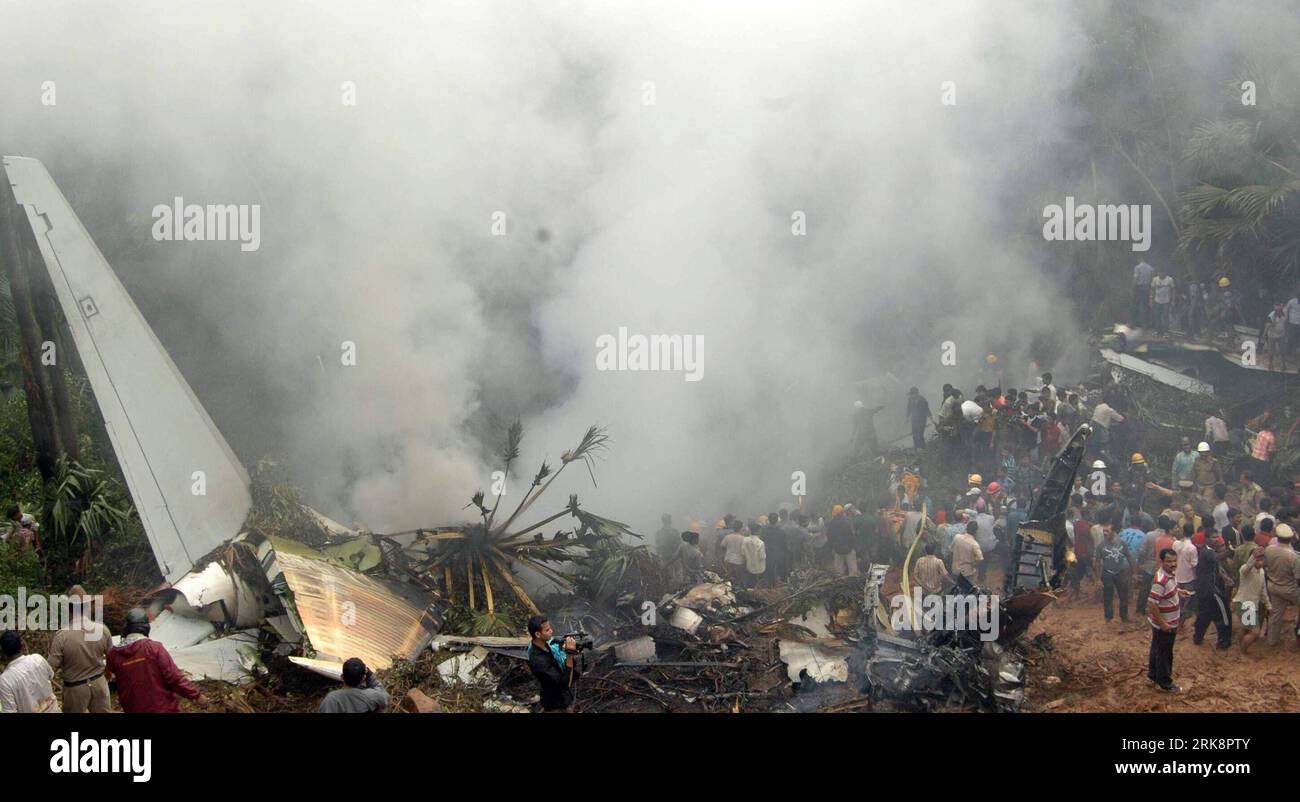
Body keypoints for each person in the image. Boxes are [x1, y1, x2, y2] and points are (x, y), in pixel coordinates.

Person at [105, 609, 209, 713]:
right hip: (161, 708)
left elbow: (112, 676)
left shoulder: (114, 655)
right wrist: (196, 695)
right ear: (146, 627)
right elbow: (174, 677)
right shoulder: (154, 648)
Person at [47, 585, 113, 713]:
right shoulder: (102, 629)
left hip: (75, 689)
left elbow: (50, 668)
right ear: (88, 607)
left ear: (70, 609)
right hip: (99, 683)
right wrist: (107, 676)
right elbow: (112, 658)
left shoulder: (62, 636)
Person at [1147, 548, 1186, 692]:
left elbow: (1169, 591)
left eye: (1174, 561)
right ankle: (1165, 683)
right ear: (1162, 562)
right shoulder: (1160, 580)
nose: (1173, 564)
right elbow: (1152, 603)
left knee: (1157, 649)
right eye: (1169, 561)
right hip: (1165, 625)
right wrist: (1163, 624)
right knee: (1165, 653)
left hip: (1167, 623)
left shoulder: (1170, 575)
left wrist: (1179, 592)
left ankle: (1152, 676)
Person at [526, 616, 580, 712]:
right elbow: (563, 685)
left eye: (550, 628)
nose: (551, 631)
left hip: (562, 699)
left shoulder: (546, 645)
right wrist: (569, 655)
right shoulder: (538, 660)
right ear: (538, 634)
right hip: (554, 705)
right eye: (547, 630)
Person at [0, 630, 59, 712]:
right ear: (22, 645)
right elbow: (50, 675)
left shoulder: (5, 680)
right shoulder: (37, 659)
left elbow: (9, 711)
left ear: (3, 653)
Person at [1192, 537, 1233, 649]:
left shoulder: (1204, 552)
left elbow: (1216, 568)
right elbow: (1216, 559)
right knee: (1224, 614)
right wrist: (1230, 551)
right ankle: (1224, 642)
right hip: (1212, 591)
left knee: (1205, 614)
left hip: (1203, 590)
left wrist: (1225, 578)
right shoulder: (1209, 552)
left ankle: (1198, 637)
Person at [1263, 526, 1300, 647]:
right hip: (1290, 589)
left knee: (1276, 615)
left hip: (1273, 586)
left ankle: (1271, 641)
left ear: (1277, 537)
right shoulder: (1293, 556)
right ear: (1291, 538)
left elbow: (1266, 566)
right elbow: (1298, 578)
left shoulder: (1269, 549)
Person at [317, 657, 390, 713]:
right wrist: (370, 675)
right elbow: (385, 696)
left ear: (342, 677)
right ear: (363, 679)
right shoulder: (371, 696)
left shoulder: (332, 700)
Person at [1234, 547, 1269, 654]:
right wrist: (1253, 557)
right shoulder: (1245, 569)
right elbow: (1246, 568)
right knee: (1255, 632)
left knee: (1245, 628)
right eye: (1257, 559)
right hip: (1246, 604)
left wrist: (1269, 605)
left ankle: (1239, 649)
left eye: (1261, 559)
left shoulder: (1262, 572)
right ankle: (1242, 651)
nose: (1260, 562)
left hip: (1250, 605)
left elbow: (1263, 591)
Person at [1098, 522, 1132, 625]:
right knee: (1108, 596)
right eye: (1104, 531)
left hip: (1120, 573)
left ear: (1113, 532)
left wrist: (1133, 572)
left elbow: (1129, 557)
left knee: (1124, 596)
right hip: (1107, 573)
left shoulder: (1122, 543)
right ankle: (1108, 618)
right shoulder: (1101, 546)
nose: (1104, 533)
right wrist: (1098, 579)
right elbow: (1097, 563)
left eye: (1107, 531)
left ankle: (1124, 617)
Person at [951, 521, 984, 591]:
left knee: (957, 588)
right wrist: (974, 565)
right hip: (967, 572)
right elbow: (980, 559)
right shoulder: (974, 544)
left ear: (966, 528)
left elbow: (951, 550)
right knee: (968, 590)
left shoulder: (956, 537)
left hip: (955, 569)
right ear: (976, 531)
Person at [826, 505, 857, 578]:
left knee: (839, 572)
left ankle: (841, 585)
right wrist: (853, 546)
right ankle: (854, 584)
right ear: (842, 513)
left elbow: (829, 537)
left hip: (837, 550)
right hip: (849, 549)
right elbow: (852, 535)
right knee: (852, 570)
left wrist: (832, 548)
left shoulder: (831, 523)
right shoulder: (848, 521)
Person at [741, 521, 767, 587]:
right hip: (759, 568)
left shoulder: (745, 540)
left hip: (748, 567)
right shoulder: (760, 543)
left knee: (749, 585)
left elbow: (743, 553)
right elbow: (762, 556)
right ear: (758, 531)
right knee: (758, 585)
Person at [1150, 267, 1175, 333]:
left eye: (1162, 273)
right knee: (1157, 316)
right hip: (1157, 300)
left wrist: (1173, 300)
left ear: (1165, 273)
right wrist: (1151, 300)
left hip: (1166, 300)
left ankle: (1166, 331)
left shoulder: (1169, 279)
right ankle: (1157, 330)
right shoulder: (1155, 279)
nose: (1160, 274)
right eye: (1159, 273)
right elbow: (1152, 290)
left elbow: (1173, 290)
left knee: (1165, 316)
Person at [1133, 260, 1155, 326]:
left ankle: (1137, 322)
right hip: (1148, 288)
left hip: (1139, 288)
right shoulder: (1151, 268)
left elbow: (1136, 278)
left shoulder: (1137, 267)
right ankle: (1147, 322)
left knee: (1137, 304)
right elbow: (1152, 279)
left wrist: (1133, 288)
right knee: (1147, 305)